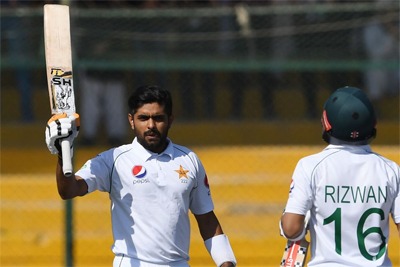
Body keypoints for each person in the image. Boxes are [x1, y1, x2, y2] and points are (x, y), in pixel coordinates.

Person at [44, 85, 236, 267]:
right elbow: (68, 190)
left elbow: (207, 219)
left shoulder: (189, 159)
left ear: (170, 119)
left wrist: (226, 262)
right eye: (143, 118)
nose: (151, 125)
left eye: (158, 118)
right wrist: (63, 153)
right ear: (131, 120)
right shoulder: (113, 160)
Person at [279, 86, 399, 266]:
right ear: (373, 124)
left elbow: (291, 229)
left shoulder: (310, 166)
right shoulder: (390, 170)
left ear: (326, 123)